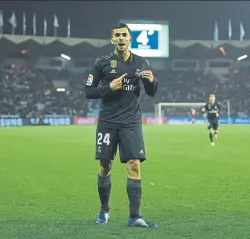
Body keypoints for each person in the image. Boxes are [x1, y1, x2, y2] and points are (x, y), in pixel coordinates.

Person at [85, 23, 158, 228]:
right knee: (105, 165)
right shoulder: (101, 63)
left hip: (131, 122)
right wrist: (109, 87)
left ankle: (134, 216)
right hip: (107, 122)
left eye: (124, 35)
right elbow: (88, 92)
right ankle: (104, 211)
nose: (120, 38)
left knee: (134, 165)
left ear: (130, 39)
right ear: (112, 40)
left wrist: (152, 81)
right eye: (116, 35)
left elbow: (151, 91)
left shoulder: (141, 62)